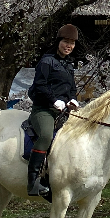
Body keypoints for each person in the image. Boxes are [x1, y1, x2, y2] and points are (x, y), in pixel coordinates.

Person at [26, 24, 82, 198]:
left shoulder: (69, 65)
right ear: (58, 42)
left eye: (72, 43)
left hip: (63, 111)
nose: (69, 46)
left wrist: (72, 99)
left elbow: (71, 88)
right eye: (66, 41)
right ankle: (33, 181)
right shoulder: (46, 61)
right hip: (44, 109)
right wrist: (53, 100)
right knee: (46, 136)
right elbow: (40, 85)